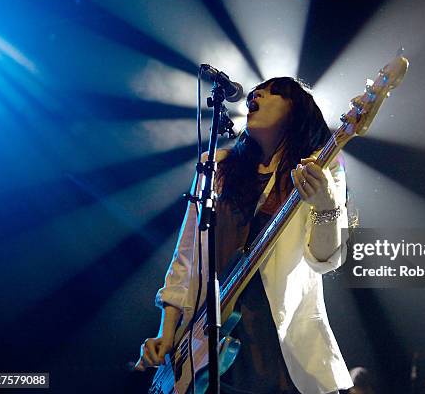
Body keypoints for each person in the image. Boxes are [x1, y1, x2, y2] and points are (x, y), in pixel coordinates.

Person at [135, 77, 353, 394]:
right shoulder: (217, 168)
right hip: (208, 350)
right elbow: (187, 256)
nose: (256, 93)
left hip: (280, 349)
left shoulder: (322, 166)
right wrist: (168, 331)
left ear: (297, 111)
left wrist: (326, 204)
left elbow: (325, 260)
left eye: (272, 91)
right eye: (255, 91)